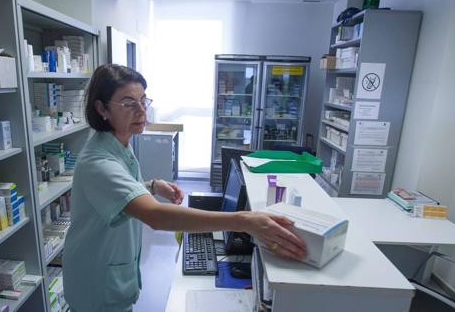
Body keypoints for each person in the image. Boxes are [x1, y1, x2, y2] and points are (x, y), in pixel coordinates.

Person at [62, 64, 307, 312]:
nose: (141, 110)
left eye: (143, 100)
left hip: (112, 275)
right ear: (102, 108)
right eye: (128, 103)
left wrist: (153, 185)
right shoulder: (98, 162)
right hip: (95, 287)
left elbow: (120, 192)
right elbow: (155, 216)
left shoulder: (119, 144)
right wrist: (245, 221)